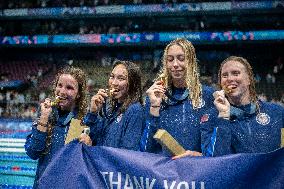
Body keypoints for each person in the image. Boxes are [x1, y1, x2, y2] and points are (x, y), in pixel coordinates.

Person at [140, 38, 214, 158]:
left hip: (199, 170)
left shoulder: (208, 95)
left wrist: (199, 156)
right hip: (165, 173)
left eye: (181, 59)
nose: (175, 64)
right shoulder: (156, 96)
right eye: (170, 59)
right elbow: (146, 149)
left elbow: (216, 148)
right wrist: (154, 108)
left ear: (191, 61)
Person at [201, 56, 284, 157]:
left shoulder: (276, 112)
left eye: (236, 73)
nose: (230, 79)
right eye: (225, 75)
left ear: (249, 79)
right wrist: (223, 116)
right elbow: (213, 161)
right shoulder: (211, 118)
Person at [25, 67, 88, 188]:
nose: (62, 91)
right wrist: (43, 118)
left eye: (69, 88)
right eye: (59, 85)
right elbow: (33, 153)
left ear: (79, 94)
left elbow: (70, 163)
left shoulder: (79, 121)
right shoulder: (45, 113)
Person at [80, 60, 144, 151]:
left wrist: (94, 150)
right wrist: (93, 113)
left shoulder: (135, 110)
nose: (114, 83)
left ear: (133, 84)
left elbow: (127, 153)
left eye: (121, 78)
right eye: (112, 77)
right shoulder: (109, 108)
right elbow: (90, 137)